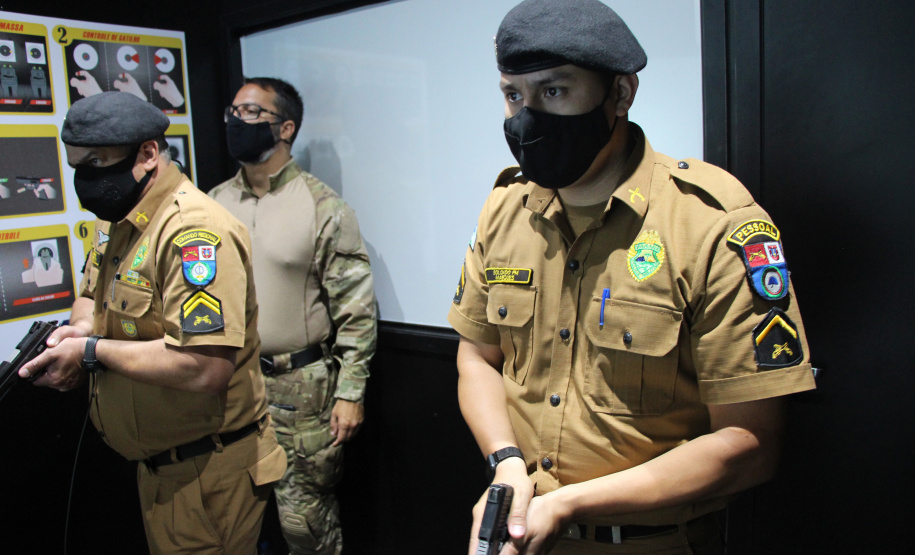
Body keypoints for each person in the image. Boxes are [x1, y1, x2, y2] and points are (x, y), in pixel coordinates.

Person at [447, 1, 817, 554]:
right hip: (518, 534)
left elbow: (750, 442)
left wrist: (569, 502)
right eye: (513, 95)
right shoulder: (505, 209)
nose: (527, 118)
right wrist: (505, 462)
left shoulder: (713, 223)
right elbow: (477, 357)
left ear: (619, 94)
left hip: (652, 542)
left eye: (553, 91)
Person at [20, 91, 286, 554]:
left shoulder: (194, 232)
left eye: (98, 164)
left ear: (147, 154)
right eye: (78, 165)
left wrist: (90, 352)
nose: (87, 180)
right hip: (161, 468)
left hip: (208, 472)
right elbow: (90, 298)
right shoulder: (119, 218)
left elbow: (205, 366)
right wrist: (79, 332)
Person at [209, 77, 377, 555]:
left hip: (300, 391)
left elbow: (357, 311)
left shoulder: (323, 207)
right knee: (231, 517)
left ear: (285, 128)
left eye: (250, 113)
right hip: (229, 384)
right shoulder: (212, 205)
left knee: (305, 526)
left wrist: (351, 392)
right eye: (233, 111)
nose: (236, 122)